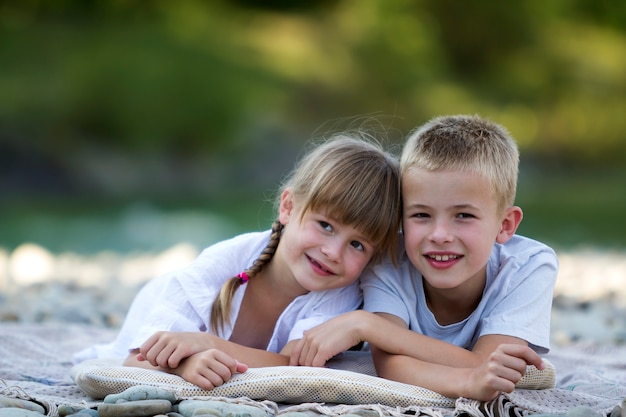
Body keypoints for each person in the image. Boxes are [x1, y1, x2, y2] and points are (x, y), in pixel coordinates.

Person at [73, 133, 402, 391]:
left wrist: (208, 346)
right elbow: (135, 361)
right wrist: (183, 367)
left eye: (357, 244)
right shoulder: (220, 264)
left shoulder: (339, 290)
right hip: (155, 302)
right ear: (288, 207)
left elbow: (294, 365)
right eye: (325, 225)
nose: (333, 252)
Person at [290, 114, 559, 402]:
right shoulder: (390, 260)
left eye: (464, 216)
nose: (440, 235)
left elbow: (489, 364)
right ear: (401, 219)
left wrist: (366, 325)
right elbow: (390, 365)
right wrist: (468, 383)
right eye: (421, 215)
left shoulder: (529, 266)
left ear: (505, 225)